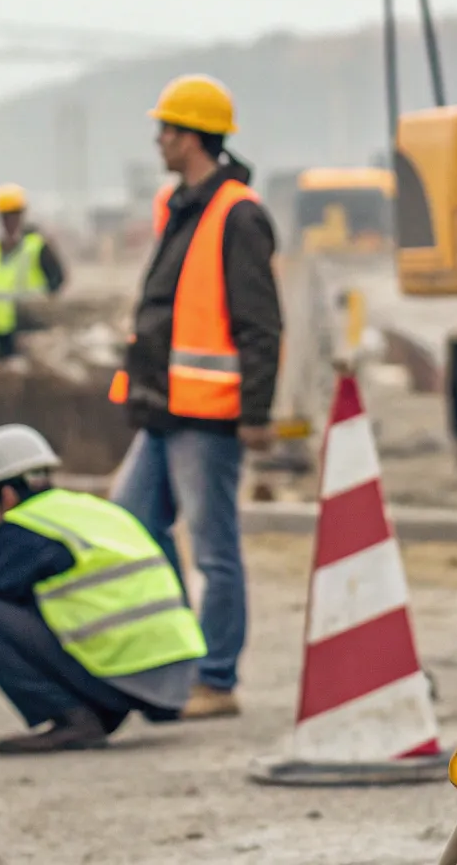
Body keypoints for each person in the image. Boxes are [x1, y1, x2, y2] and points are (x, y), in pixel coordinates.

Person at [106, 74, 282, 720]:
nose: (158, 139)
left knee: (214, 548)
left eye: (166, 129)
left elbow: (261, 325)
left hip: (207, 416)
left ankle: (216, 678)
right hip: (162, 406)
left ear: (192, 136)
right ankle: (181, 658)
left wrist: (257, 414)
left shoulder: (238, 213)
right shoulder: (180, 206)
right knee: (133, 523)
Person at [0, 424, 203, 759]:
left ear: (5, 495)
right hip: (175, 681)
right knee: (30, 609)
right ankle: (96, 713)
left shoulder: (24, 528)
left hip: (127, 675)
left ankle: (73, 720)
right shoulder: (92, 510)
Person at [0, 183, 67, 361]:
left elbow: (57, 279)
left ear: (21, 216)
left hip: (28, 331)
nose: (9, 221)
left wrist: (40, 305)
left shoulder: (37, 246)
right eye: (5, 217)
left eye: (13, 215)